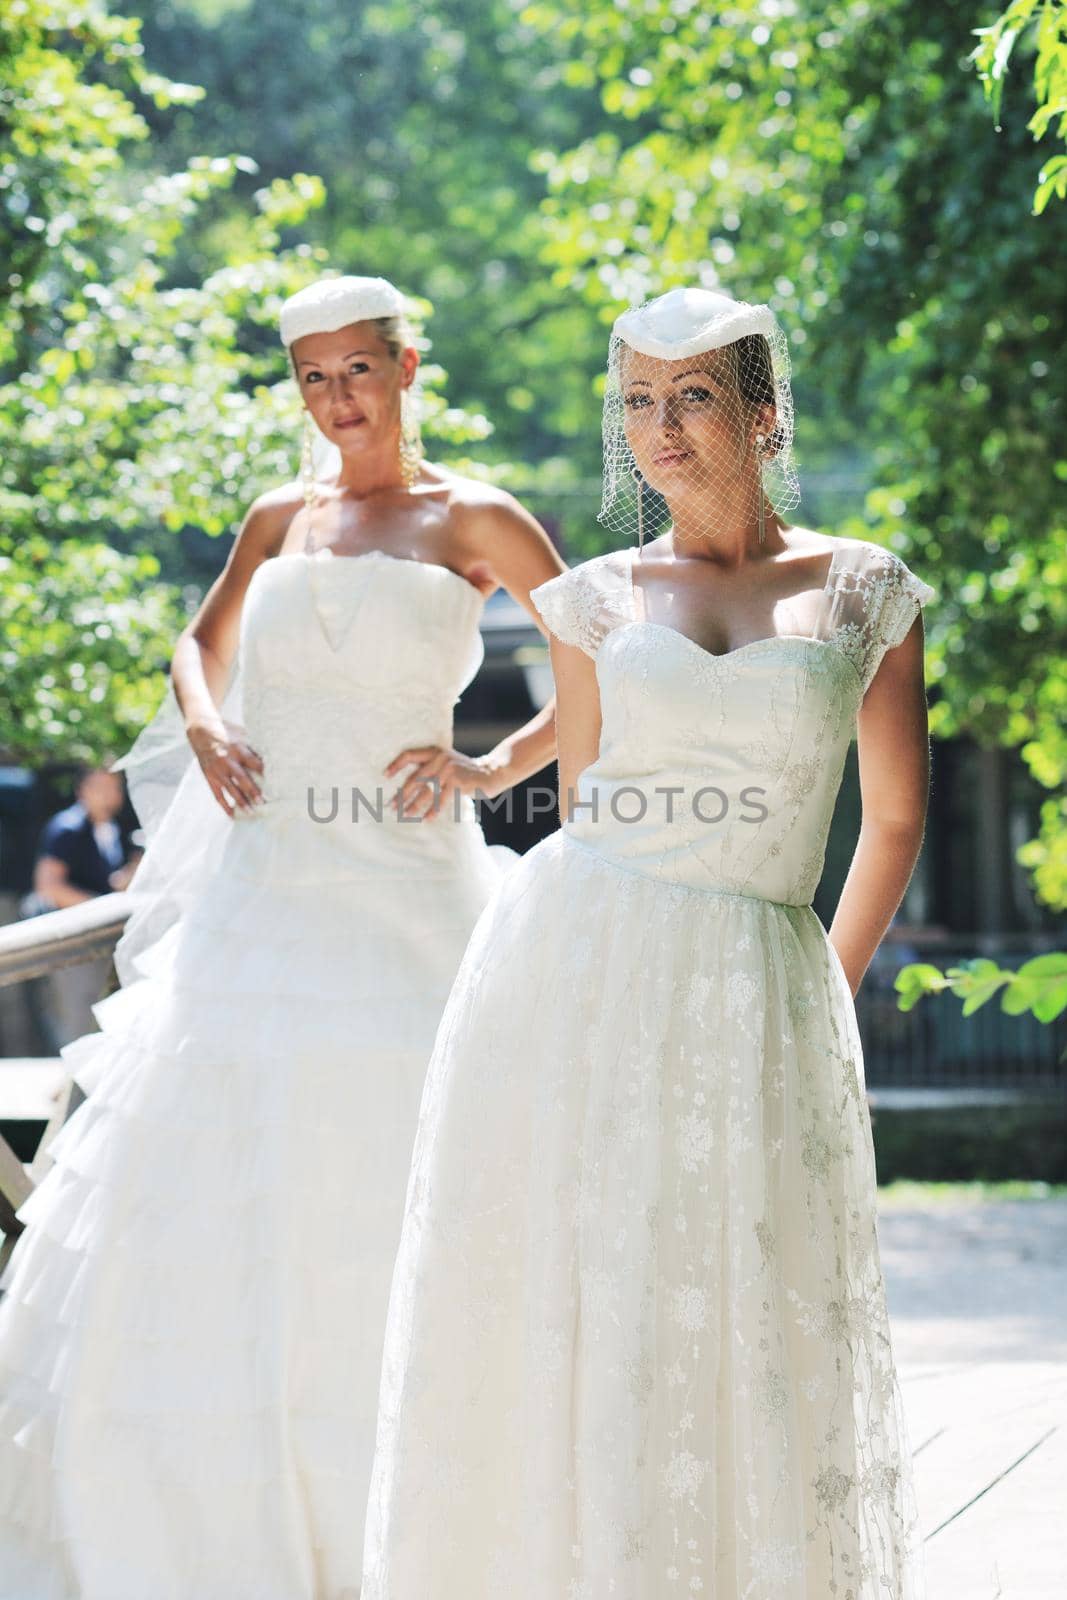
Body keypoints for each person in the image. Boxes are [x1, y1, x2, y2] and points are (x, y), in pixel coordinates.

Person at [362, 287, 935, 1598]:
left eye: (689, 396)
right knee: (588, 1303)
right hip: (577, 974)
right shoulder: (591, 599)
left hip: (763, 977)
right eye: (634, 400)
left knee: (743, 1303)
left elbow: (891, 819)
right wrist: (483, 765)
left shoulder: (862, 590)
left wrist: (820, 994)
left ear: (761, 412)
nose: (657, 429)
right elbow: (582, 804)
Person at [0, 272, 566, 1599]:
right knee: (214, 1182)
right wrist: (204, 724)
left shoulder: (472, 514)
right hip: (264, 899)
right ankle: (204, 1518)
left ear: (407, 364)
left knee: (397, 1165)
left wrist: (495, 771)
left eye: (356, 369)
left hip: (410, 893)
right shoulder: (277, 516)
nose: (336, 398)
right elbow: (195, 650)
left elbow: (604, 668)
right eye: (311, 377)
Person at [21, 764, 141, 1050]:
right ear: (82, 790)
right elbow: (49, 886)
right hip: (72, 936)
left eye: (113, 787)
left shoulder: (122, 828)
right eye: (99, 787)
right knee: (78, 1010)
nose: (108, 794)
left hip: (110, 937)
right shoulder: (67, 828)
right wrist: (101, 908)